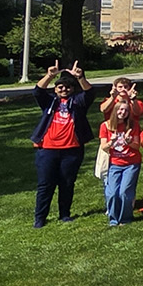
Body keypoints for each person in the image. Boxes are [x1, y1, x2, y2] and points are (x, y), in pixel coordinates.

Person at [31, 60, 93, 228]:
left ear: (72, 90)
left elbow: (89, 94)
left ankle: (64, 214)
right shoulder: (49, 102)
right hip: (48, 150)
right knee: (45, 184)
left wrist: (80, 77)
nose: (64, 89)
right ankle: (40, 218)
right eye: (60, 87)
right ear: (55, 89)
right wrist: (50, 75)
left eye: (67, 87)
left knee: (67, 183)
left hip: (71, 150)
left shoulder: (78, 103)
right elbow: (37, 91)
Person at [100, 100, 142, 227]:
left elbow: (137, 146)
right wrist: (111, 142)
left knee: (125, 192)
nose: (123, 112)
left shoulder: (133, 125)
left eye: (126, 110)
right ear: (115, 110)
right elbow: (104, 147)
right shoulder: (106, 126)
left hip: (131, 163)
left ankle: (125, 218)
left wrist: (129, 142)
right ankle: (113, 219)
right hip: (114, 164)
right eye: (120, 109)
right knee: (112, 193)